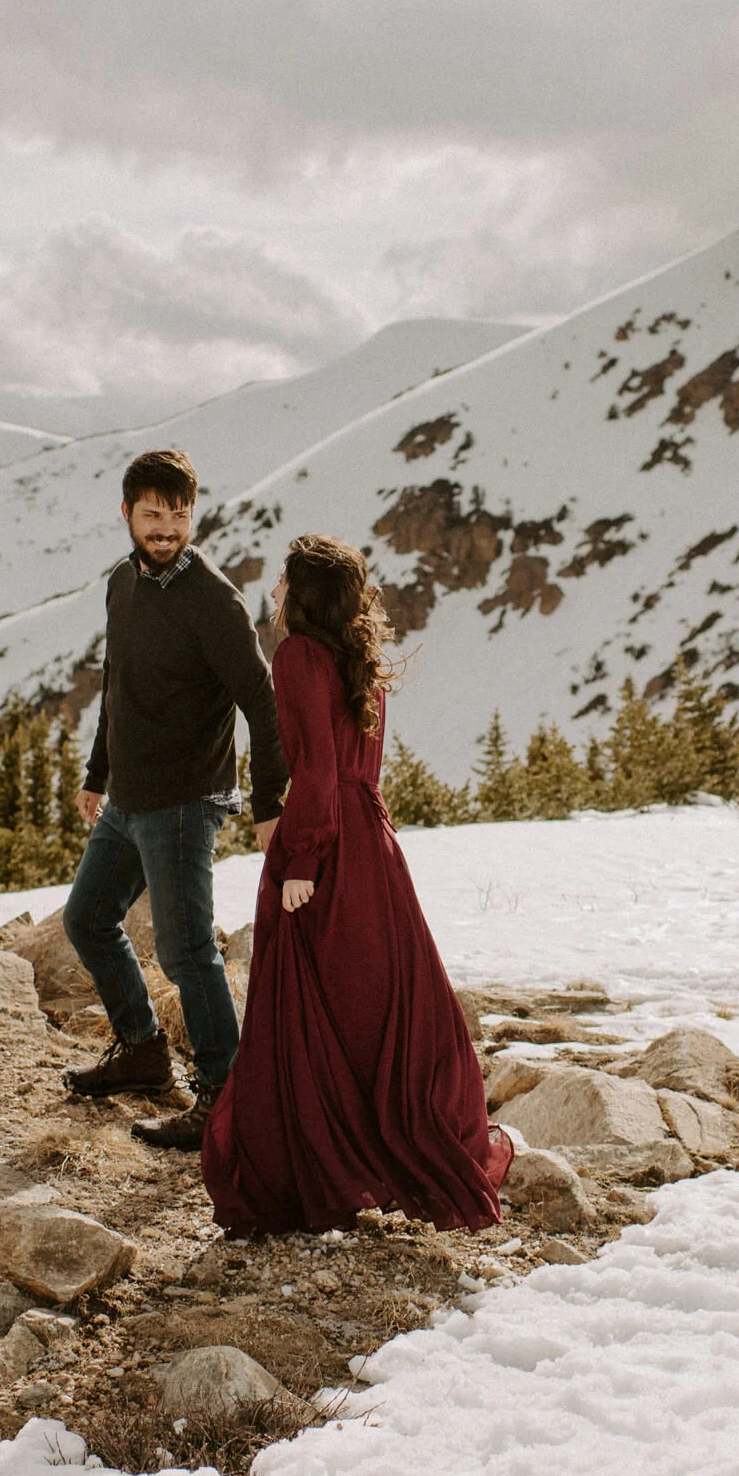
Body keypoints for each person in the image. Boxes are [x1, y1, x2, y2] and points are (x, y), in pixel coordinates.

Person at [203, 534, 512, 1234]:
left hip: (329, 848)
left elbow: (313, 773)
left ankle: (324, 1168)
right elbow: (352, 768)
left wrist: (301, 860)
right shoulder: (353, 657)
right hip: (372, 844)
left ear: (305, 595)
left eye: (283, 583)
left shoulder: (298, 656)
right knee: (375, 1009)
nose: (274, 594)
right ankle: (393, 1155)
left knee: (313, 1012)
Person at [61, 449, 288, 1150]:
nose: (166, 528)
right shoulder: (122, 585)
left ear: (194, 513)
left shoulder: (213, 599)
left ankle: (227, 1097)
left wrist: (269, 803)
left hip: (188, 800)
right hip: (129, 797)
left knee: (187, 951)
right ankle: (143, 1049)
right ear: (126, 512)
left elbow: (263, 699)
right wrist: (98, 773)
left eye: (179, 514)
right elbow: (117, 685)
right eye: (153, 514)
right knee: (89, 918)